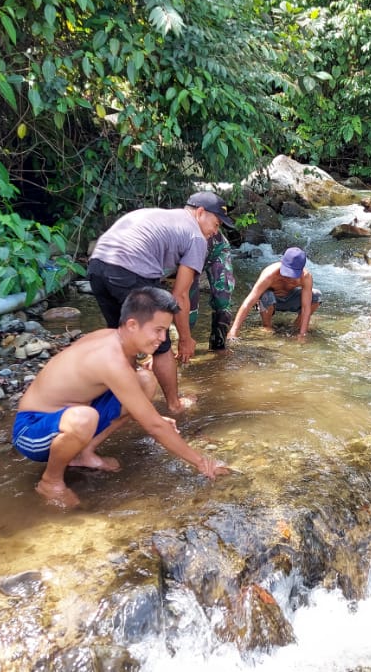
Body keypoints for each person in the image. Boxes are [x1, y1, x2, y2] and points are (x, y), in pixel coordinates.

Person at [12, 287, 229, 508]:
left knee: (144, 380)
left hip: (69, 414)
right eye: (158, 330)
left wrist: (152, 418)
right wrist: (203, 463)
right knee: (83, 418)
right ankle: (51, 481)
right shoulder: (110, 358)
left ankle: (84, 453)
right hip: (31, 428)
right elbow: (154, 427)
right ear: (133, 325)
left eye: (166, 331)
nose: (162, 339)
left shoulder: (117, 341)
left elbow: (136, 402)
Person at [87, 191, 235, 414]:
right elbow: (179, 296)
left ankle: (120, 399)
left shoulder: (163, 216)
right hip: (129, 269)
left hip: (97, 265)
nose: (216, 231)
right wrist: (185, 339)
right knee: (161, 343)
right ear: (201, 212)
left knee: (123, 339)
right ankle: (174, 404)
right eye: (216, 224)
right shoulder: (196, 237)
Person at [227, 247, 321, 339]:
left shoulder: (306, 277)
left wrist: (302, 334)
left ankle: (296, 326)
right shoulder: (270, 274)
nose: (289, 277)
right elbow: (249, 301)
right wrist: (233, 331)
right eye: (287, 272)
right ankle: (267, 326)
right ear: (282, 263)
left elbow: (306, 307)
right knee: (266, 294)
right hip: (270, 300)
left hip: (290, 299)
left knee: (316, 296)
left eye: (293, 274)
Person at [189, 230, 236, 351]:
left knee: (223, 300)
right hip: (186, 256)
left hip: (216, 248)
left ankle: (218, 347)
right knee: (188, 311)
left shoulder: (212, 234)